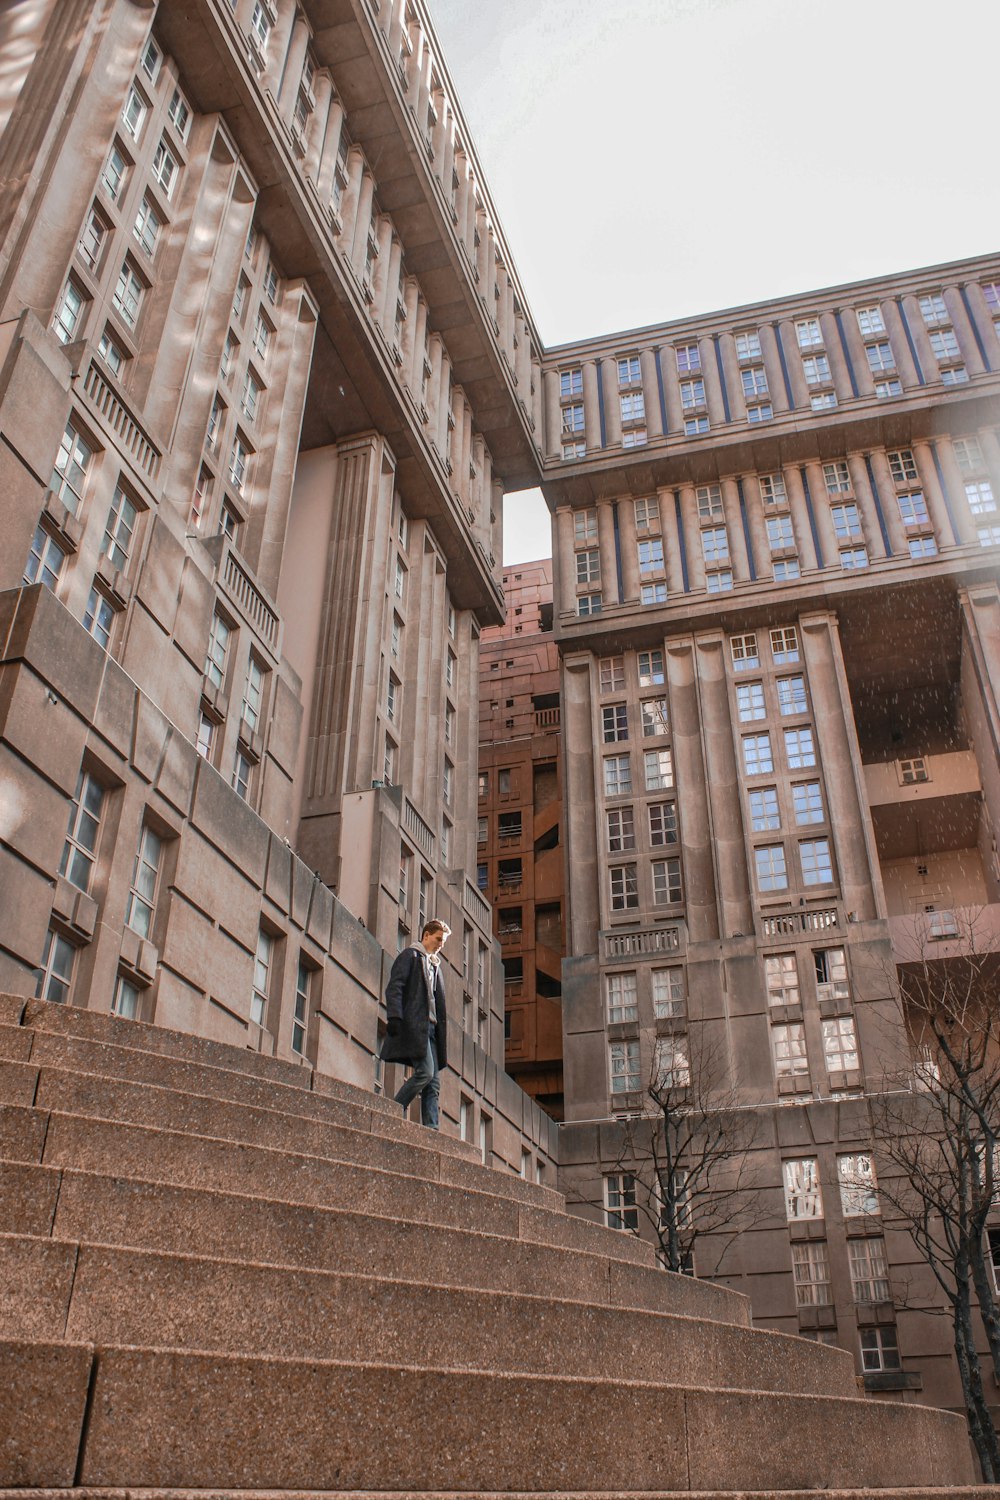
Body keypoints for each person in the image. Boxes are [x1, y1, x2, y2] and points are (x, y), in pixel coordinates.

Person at [381, 918, 450, 1129]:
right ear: (426, 935)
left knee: (434, 1085)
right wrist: (394, 1016)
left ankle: (432, 1129)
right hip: (416, 1027)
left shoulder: (435, 966)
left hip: (432, 1031)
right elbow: (395, 986)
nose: (440, 944)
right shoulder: (410, 956)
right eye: (438, 939)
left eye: (444, 941)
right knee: (425, 1073)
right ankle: (391, 1110)